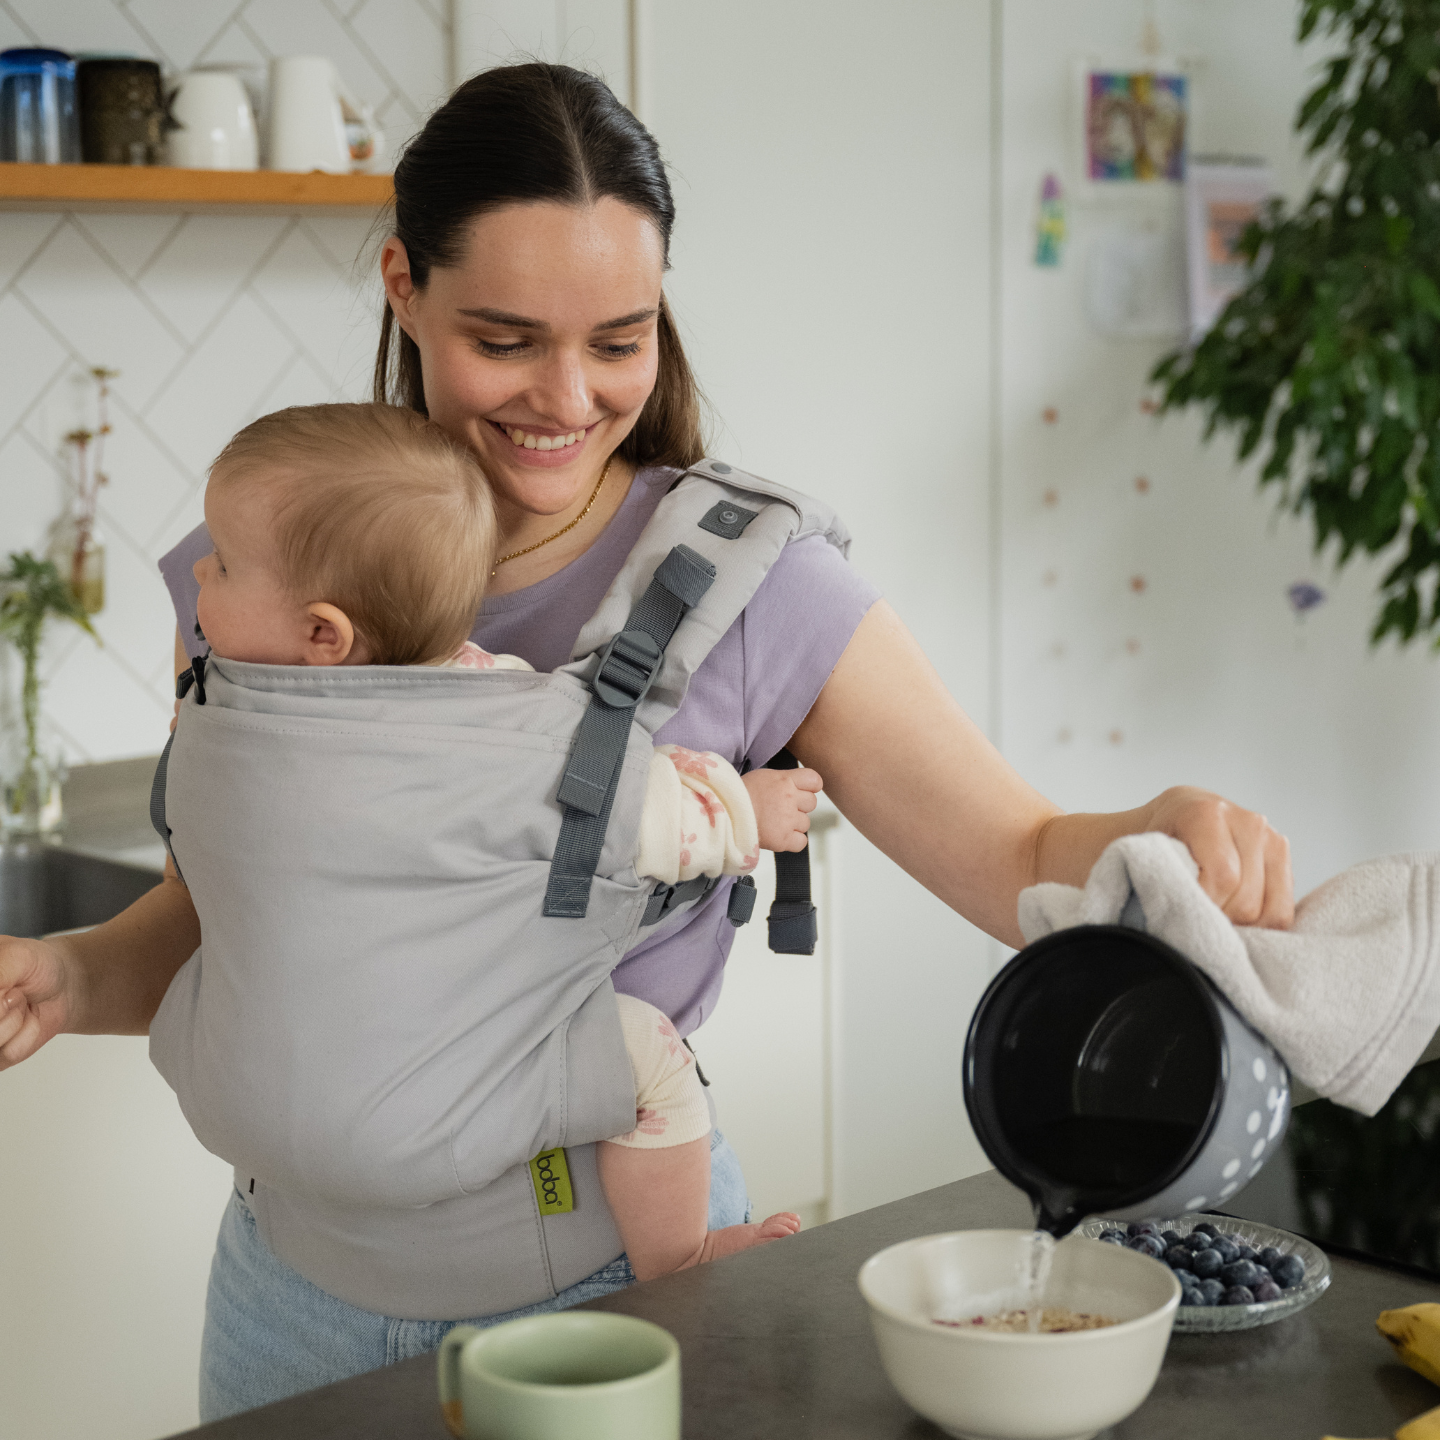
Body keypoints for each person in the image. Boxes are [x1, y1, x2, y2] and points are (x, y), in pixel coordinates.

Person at [0, 63, 1294, 1417]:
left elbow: (1019, 852)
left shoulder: (755, 589)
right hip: (287, 1305)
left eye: (620, 341)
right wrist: (74, 976)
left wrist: (1159, 833)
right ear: (403, 287)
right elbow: (234, 912)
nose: (566, 397)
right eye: (506, 339)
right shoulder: (252, 579)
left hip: (616, 1299)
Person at [187, 400, 804, 1280]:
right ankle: (679, 1255)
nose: (196, 571)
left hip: (253, 1104)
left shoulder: (220, 716)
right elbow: (634, 812)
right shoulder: (502, 729)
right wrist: (744, 808)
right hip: (436, 1102)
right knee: (652, 1059)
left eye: (219, 562)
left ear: (325, 632)